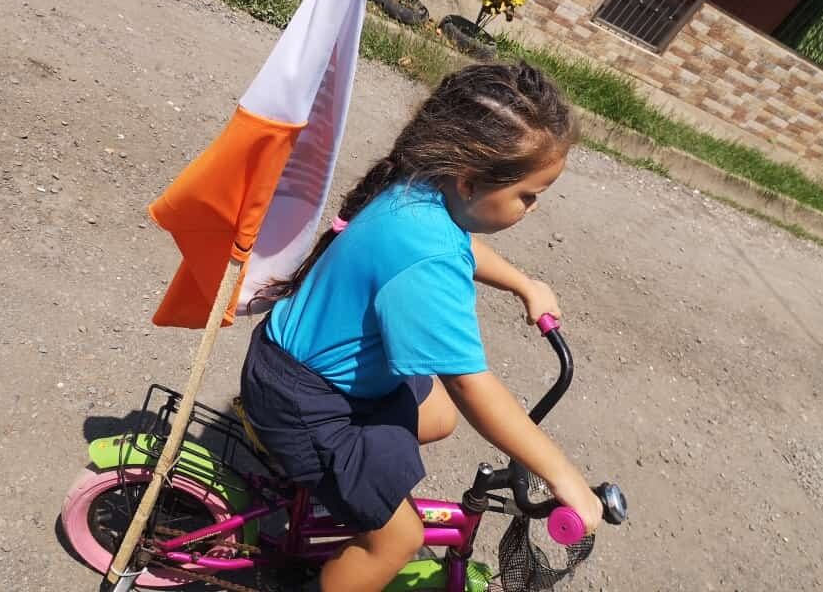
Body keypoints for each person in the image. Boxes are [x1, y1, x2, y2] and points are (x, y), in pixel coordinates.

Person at [240, 62, 603, 591]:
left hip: (306, 363)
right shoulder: (425, 259)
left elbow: (459, 245)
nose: (532, 209)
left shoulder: (422, 193)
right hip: (303, 398)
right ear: (469, 180)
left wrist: (523, 283)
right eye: (529, 195)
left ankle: (324, 483)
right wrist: (563, 476)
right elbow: (469, 384)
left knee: (435, 416)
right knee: (398, 540)